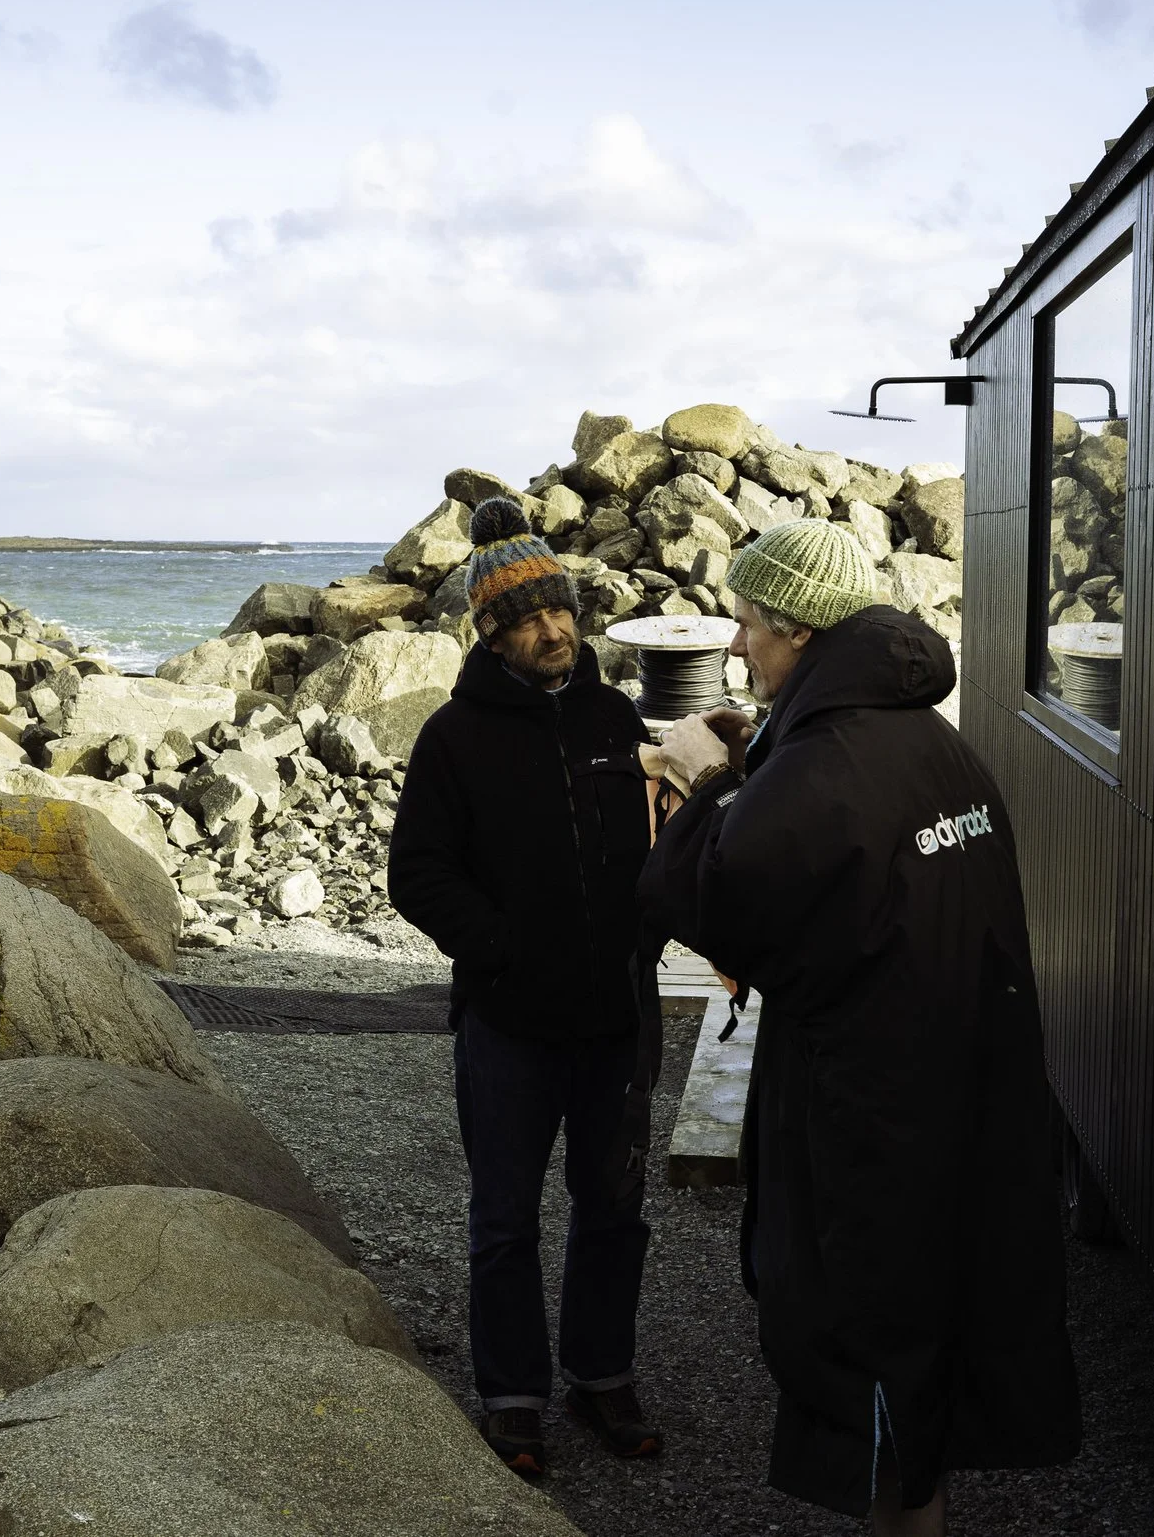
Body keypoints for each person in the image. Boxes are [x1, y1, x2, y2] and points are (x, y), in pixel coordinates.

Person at [640, 518, 1080, 1535]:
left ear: (796, 630)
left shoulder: (830, 758)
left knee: (872, 1352)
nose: (737, 646)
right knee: (929, 1343)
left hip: (872, 1121)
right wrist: (762, 760)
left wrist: (702, 778)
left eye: (747, 623)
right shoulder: (927, 739)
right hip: (957, 1096)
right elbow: (848, 882)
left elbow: (710, 899)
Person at [388, 496, 667, 1479]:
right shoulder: (455, 736)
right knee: (503, 1218)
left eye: (561, 610)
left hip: (615, 1020)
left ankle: (601, 1371)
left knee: (613, 1207)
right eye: (529, 617)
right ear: (493, 633)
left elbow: (650, 845)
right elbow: (417, 873)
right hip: (507, 1025)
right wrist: (500, 946)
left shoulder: (613, 715)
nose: (554, 629)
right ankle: (513, 1392)